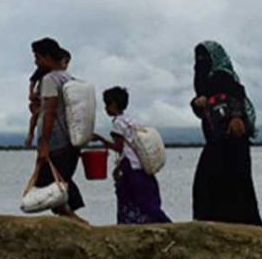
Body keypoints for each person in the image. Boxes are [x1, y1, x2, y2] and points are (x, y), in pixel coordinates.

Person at [191, 41, 262, 226]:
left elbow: (236, 92)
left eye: (205, 57)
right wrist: (197, 103)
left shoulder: (223, 75)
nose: (200, 62)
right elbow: (203, 112)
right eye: (198, 58)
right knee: (208, 183)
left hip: (233, 139)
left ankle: (242, 228)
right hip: (215, 140)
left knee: (234, 184)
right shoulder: (202, 81)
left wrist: (236, 116)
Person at [93, 87, 170, 224]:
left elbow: (118, 148)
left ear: (114, 105)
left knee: (130, 198)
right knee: (146, 201)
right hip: (140, 165)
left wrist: (101, 139)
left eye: (107, 104)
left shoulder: (117, 124)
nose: (105, 108)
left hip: (130, 168)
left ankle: (158, 222)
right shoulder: (129, 120)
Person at [32, 38, 86, 224]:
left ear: (47, 56)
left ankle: (72, 218)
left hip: (56, 140)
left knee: (49, 182)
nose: (36, 62)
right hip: (70, 139)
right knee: (61, 179)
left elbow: (50, 112)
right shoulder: (67, 77)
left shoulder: (49, 80)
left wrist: (44, 143)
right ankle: (70, 216)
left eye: (37, 57)